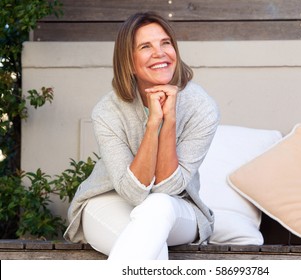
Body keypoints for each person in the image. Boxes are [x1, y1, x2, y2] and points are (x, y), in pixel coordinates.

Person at [63, 11, 220, 260]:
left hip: (177, 208)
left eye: (165, 43)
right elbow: (133, 193)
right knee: (150, 249)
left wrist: (169, 122)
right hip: (108, 202)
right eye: (146, 46)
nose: (160, 53)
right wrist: (153, 122)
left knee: (156, 207)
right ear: (129, 61)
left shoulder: (201, 107)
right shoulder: (108, 111)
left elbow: (168, 188)